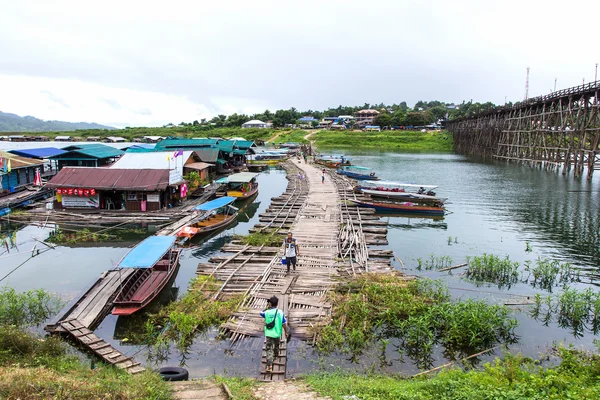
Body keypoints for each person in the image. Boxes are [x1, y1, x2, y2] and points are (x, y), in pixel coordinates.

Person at [260, 295, 290, 373]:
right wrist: (286, 331)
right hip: (277, 334)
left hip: (269, 334)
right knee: (277, 345)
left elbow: (261, 313)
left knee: (269, 349)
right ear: (277, 304)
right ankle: (276, 355)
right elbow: (284, 323)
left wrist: (267, 307)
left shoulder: (266, 313)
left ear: (270, 304)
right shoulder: (280, 312)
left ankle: (269, 365)